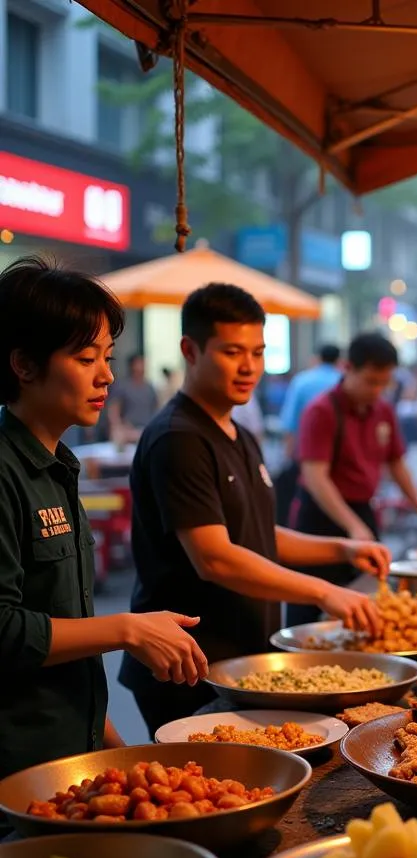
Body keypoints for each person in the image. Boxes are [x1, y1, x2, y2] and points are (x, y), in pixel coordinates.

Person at [121, 285, 387, 736]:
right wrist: (323, 592)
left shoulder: (238, 434)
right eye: (231, 352)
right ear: (190, 350)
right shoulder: (179, 437)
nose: (249, 367)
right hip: (189, 666)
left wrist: (342, 548)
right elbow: (216, 557)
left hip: (242, 661)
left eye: (258, 352)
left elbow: (260, 535)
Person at [0, 256, 207, 778]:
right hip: (20, 773)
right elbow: (4, 630)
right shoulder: (4, 471)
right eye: (86, 357)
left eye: (108, 356)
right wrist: (128, 630)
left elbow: (69, 653)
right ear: (24, 365)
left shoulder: (61, 466)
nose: (108, 375)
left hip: (73, 762)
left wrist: (119, 756)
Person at [288, 332, 417, 626]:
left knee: (369, 598)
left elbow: (396, 463)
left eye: (385, 383)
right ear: (348, 368)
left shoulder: (383, 410)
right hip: (320, 518)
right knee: (309, 607)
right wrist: (352, 526)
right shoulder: (321, 411)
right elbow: (315, 476)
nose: (378, 390)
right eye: (371, 381)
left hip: (362, 513)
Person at [274, 344, 343, 521]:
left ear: (318, 358)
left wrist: (289, 454)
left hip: (305, 455)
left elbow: (290, 424)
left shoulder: (302, 381)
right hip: (339, 458)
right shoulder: (342, 381)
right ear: (339, 360)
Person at [107, 351, 159, 444]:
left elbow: (155, 409)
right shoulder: (122, 386)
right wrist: (118, 426)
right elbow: (113, 410)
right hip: (128, 430)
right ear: (132, 366)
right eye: (138, 363)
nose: (141, 366)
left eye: (143, 363)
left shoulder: (150, 387)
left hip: (146, 429)